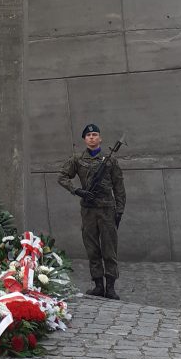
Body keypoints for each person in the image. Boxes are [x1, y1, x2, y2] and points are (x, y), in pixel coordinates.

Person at [58, 124, 126, 300]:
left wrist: (120, 210)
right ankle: (98, 285)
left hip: (107, 210)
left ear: (100, 139)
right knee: (92, 248)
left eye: (95, 135)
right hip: (88, 210)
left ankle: (110, 287)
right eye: (88, 135)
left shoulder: (110, 161)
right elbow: (62, 177)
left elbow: (119, 187)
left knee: (109, 248)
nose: (92, 137)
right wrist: (77, 190)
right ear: (84, 139)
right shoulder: (77, 159)